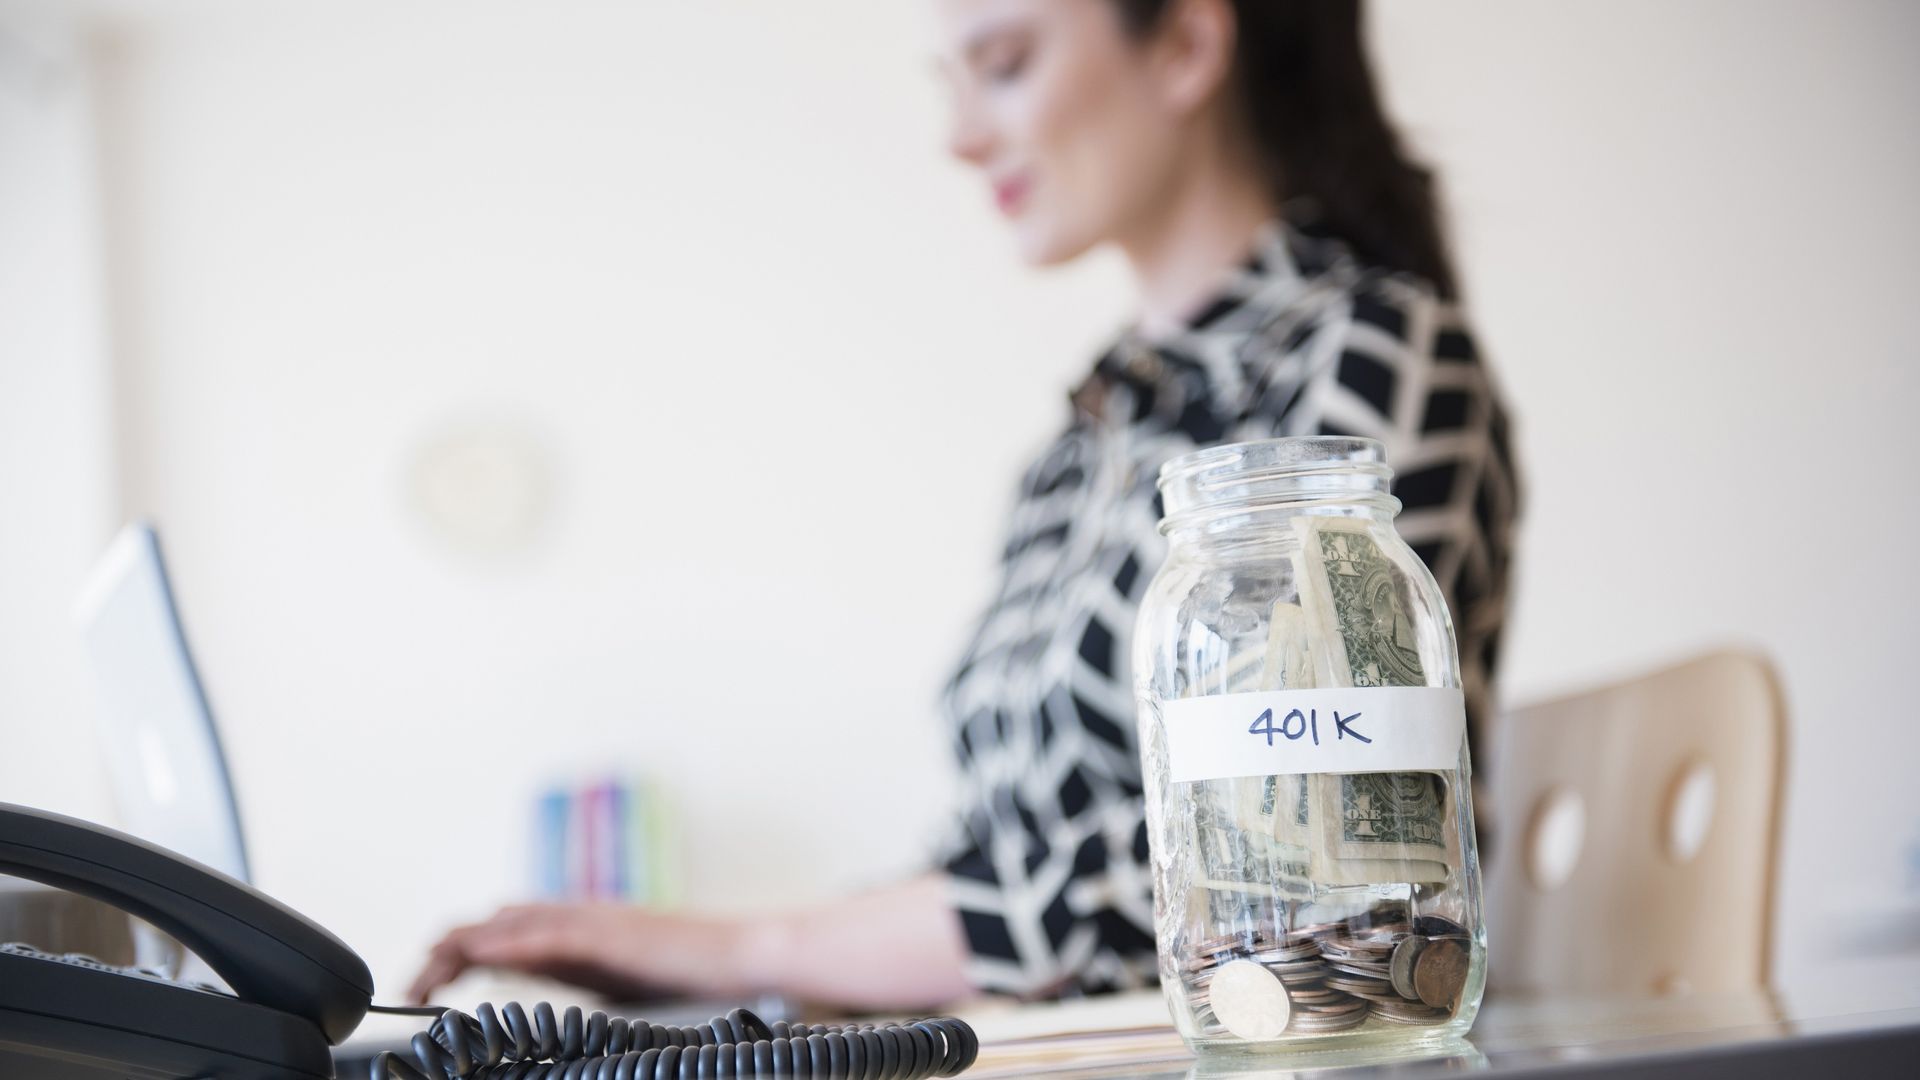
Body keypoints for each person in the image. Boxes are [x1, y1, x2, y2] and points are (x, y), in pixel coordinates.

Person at [408, 0, 1518, 1008]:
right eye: (953, 82)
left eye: (1004, 64)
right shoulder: (1078, 448)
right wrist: (729, 968)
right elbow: (996, 860)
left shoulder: (1377, 363)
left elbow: (1293, 874)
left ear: (1185, 44)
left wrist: (757, 947)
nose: (960, 137)